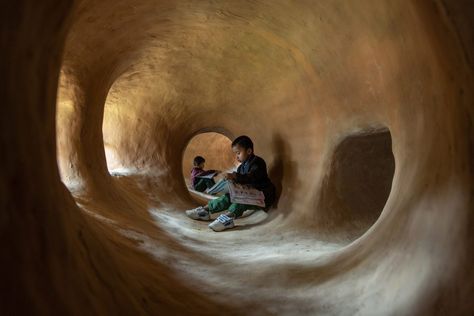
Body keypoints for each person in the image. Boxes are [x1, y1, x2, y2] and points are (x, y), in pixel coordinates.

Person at [186, 136, 276, 231]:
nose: (237, 156)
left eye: (238, 153)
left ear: (249, 151)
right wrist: (231, 183)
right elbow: (240, 182)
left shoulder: (258, 162)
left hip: (263, 195)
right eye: (235, 154)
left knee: (240, 201)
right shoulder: (241, 167)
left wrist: (235, 176)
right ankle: (205, 211)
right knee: (229, 196)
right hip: (249, 193)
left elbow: (251, 177)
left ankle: (228, 218)